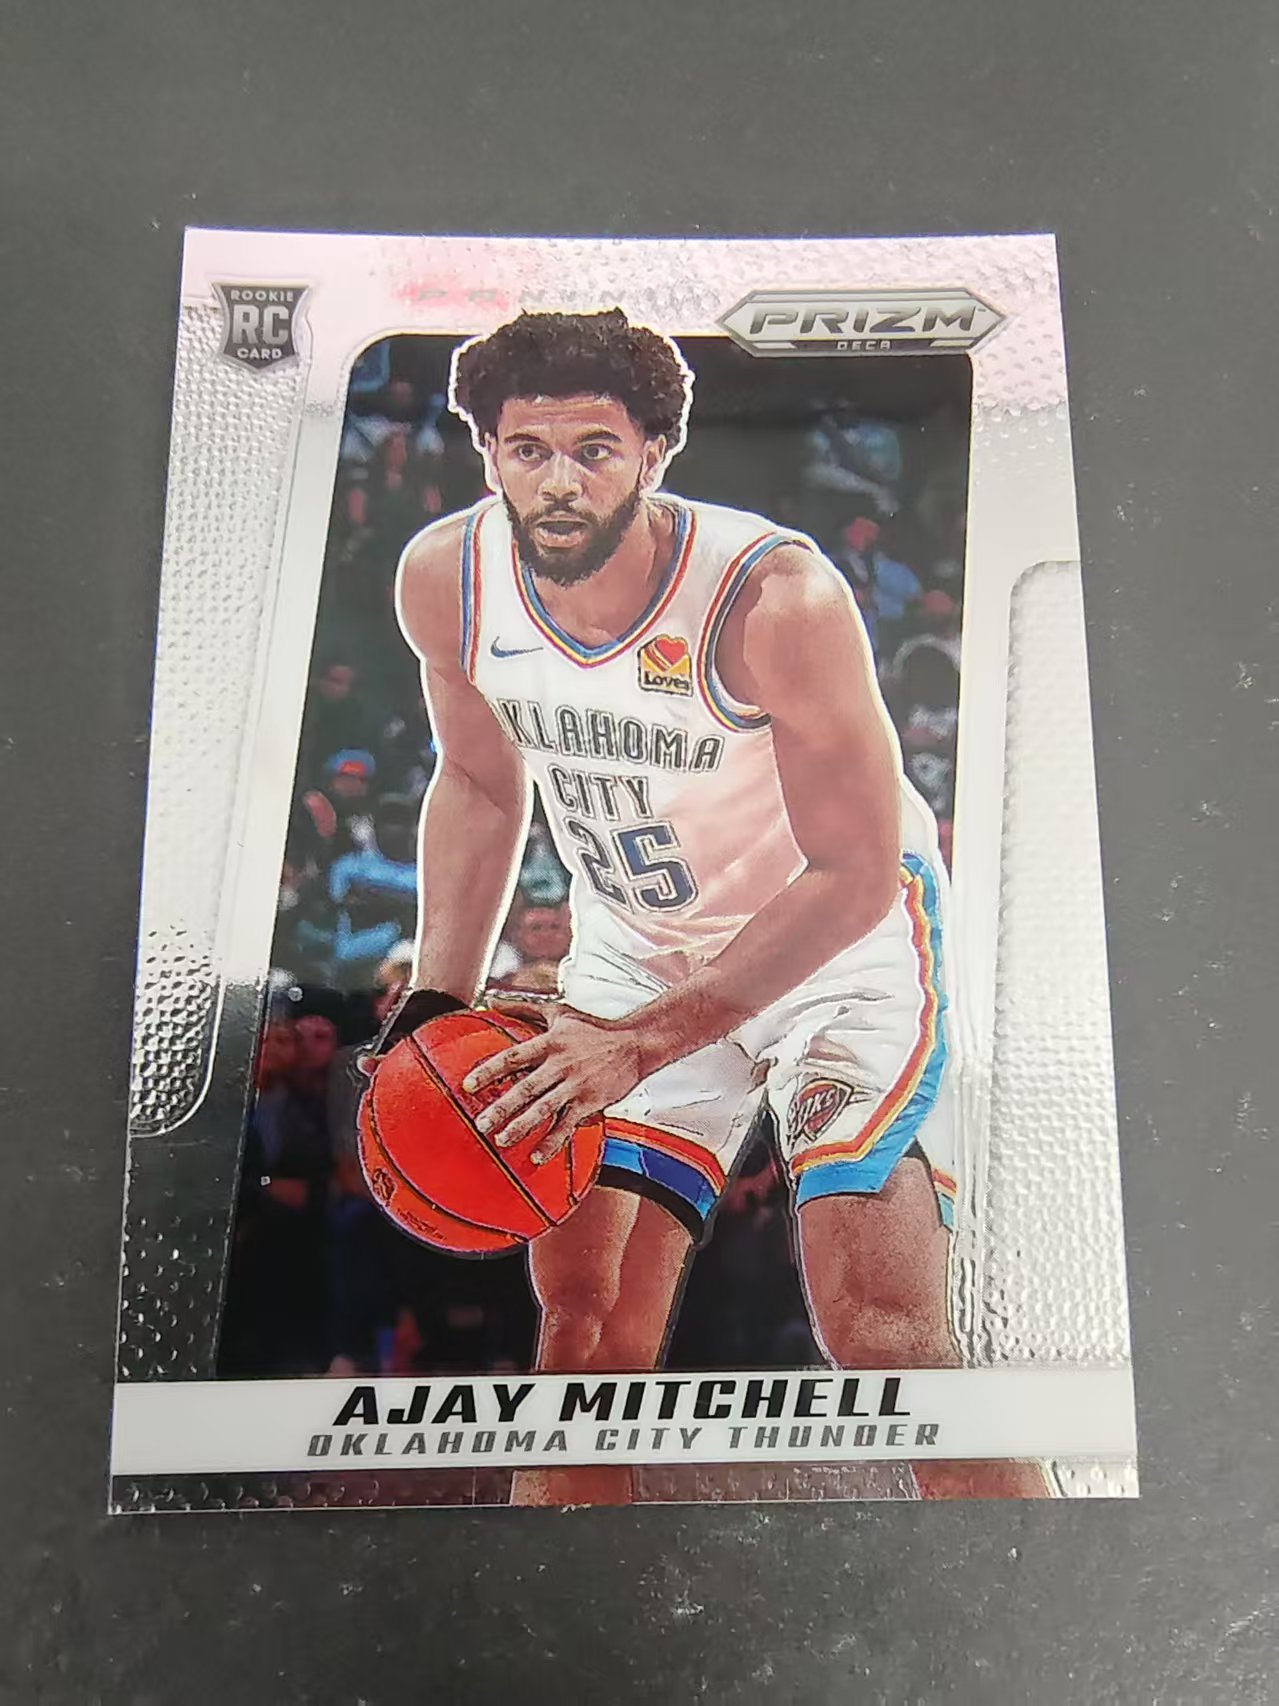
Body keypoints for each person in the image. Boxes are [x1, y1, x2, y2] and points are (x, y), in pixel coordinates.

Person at [370, 308, 1046, 1503]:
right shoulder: (448, 580)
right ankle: (560, 1610)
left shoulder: (773, 600)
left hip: (836, 947)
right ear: (487, 454)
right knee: (582, 1340)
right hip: (637, 946)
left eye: (595, 448)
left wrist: (637, 1044)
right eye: (528, 448)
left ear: (654, 451)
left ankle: (1056, 1591)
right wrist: (436, 993)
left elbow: (853, 870)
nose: (560, 479)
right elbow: (477, 781)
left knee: (881, 1334)